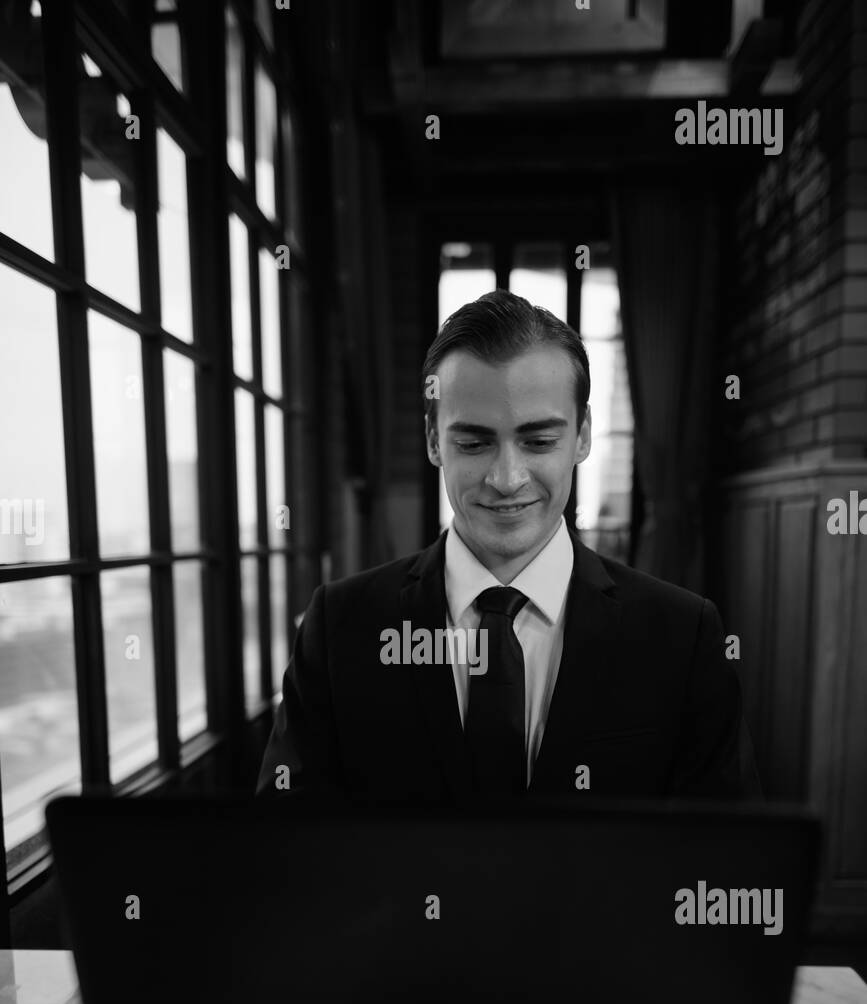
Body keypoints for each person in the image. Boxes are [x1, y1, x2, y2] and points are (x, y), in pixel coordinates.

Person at [257, 290, 759, 804]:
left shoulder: (683, 634)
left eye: (538, 442)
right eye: (473, 444)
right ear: (434, 441)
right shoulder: (339, 627)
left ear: (583, 435)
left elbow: (723, 854)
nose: (506, 478)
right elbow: (291, 852)